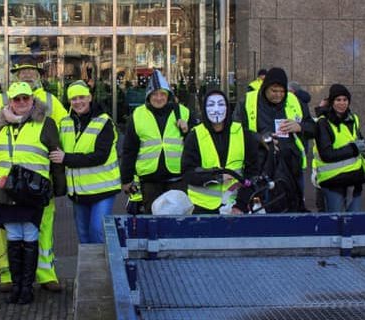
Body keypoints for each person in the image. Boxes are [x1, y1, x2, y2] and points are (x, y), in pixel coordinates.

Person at [0, 82, 66, 304]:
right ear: (10, 102)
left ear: (33, 100)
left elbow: (55, 156)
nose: (21, 103)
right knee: (13, 237)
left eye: (25, 99)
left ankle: (27, 288)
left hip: (32, 192)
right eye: (16, 99)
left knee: (30, 236)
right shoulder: (0, 126)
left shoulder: (46, 124)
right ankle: (17, 286)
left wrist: (58, 188)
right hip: (6, 192)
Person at [235, 67, 316, 212]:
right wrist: (259, 138)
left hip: (291, 166)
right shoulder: (248, 101)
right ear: (266, 88)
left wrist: (300, 126)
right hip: (259, 168)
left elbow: (313, 128)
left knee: (293, 209)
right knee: (260, 210)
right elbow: (235, 130)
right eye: (274, 91)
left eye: (282, 91)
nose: (278, 95)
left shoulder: (294, 101)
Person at [51, 81, 119, 243]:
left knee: (97, 232)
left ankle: (103, 268)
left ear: (90, 97)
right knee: (83, 235)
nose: (78, 102)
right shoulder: (65, 122)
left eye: (82, 97)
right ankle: (89, 269)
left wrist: (66, 158)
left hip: (103, 189)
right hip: (78, 192)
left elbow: (100, 156)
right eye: (73, 99)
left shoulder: (104, 122)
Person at [120, 70, 191, 213]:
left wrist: (187, 130)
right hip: (149, 180)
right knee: (153, 220)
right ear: (148, 95)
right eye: (154, 94)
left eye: (162, 94)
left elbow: (195, 145)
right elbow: (129, 150)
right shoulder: (138, 114)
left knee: (177, 220)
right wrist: (126, 179)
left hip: (177, 178)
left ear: (168, 95)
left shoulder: (183, 112)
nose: (159, 98)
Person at [182, 90, 259, 214]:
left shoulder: (243, 134)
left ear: (228, 107)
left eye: (221, 104)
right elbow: (188, 173)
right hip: (202, 207)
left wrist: (241, 205)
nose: (216, 109)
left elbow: (253, 173)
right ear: (204, 109)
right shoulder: (194, 135)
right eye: (211, 105)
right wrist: (216, 178)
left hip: (235, 206)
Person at [313, 84, 365, 212]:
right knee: (335, 222)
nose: (342, 103)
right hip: (333, 181)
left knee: (353, 222)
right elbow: (326, 154)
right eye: (338, 100)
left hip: (354, 178)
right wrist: (354, 149)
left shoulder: (353, 118)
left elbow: (356, 138)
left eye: (345, 100)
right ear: (332, 101)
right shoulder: (323, 122)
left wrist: (364, 143)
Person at [2, 59, 69, 126]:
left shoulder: (50, 99)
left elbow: (65, 122)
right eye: (24, 73)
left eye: (32, 72)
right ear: (17, 76)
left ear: (37, 77)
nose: (28, 76)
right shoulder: (4, 98)